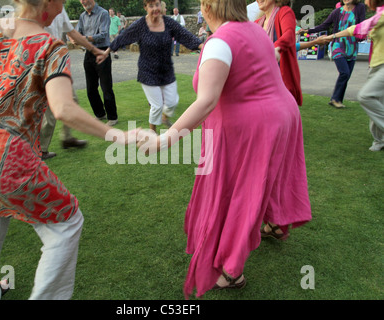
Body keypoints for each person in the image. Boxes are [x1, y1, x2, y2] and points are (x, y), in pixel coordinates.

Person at [0, 0, 139, 299]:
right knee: (67, 222)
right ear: (48, 3)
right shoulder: (49, 46)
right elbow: (63, 109)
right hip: (6, 156)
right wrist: (117, 136)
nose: (62, 7)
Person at [137, 0, 312, 298]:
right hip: (281, 117)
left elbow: (206, 101)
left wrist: (164, 139)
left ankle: (231, 273)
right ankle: (270, 224)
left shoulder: (221, 42)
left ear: (207, 7)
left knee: (236, 194)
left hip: (254, 128)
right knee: (262, 181)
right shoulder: (255, 30)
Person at [100, 0, 203, 133]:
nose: (155, 8)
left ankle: (165, 118)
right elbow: (123, 37)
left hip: (166, 71)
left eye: (157, 5)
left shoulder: (169, 23)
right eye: (151, 6)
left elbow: (185, 35)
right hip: (148, 71)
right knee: (157, 105)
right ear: (145, 7)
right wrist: (106, 52)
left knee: (172, 103)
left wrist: (202, 46)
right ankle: (152, 132)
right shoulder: (141, 25)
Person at [41, 6, 101, 160]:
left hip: (55, 63)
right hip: (41, 63)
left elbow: (72, 33)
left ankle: (66, 138)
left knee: (71, 101)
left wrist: (93, 50)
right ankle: (40, 149)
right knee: (51, 111)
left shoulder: (60, 8)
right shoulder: (37, 7)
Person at [326, 0, 384, 150]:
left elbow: (357, 28)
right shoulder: (378, 16)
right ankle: (379, 141)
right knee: (377, 104)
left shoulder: (380, 16)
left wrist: (330, 37)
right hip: (375, 64)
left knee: (365, 96)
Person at [298, 0, 366, 108]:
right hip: (338, 46)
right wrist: (307, 31)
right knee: (344, 73)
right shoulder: (337, 12)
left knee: (346, 75)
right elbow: (324, 25)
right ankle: (335, 99)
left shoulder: (360, 8)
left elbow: (362, 25)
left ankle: (338, 100)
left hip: (352, 48)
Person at [76, 0, 119, 126]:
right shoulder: (82, 16)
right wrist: (75, 39)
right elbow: (77, 32)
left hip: (102, 51)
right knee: (90, 88)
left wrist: (85, 38)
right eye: (81, 0)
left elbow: (103, 34)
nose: (83, 1)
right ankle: (100, 113)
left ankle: (112, 117)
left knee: (106, 87)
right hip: (88, 53)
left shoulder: (103, 13)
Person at [255, 0, 303, 106]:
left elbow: (289, 35)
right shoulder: (257, 23)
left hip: (280, 82)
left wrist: (274, 49)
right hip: (261, 81)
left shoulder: (284, 12)